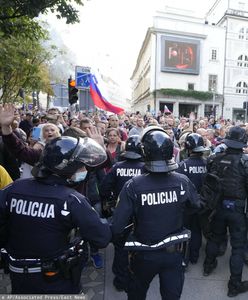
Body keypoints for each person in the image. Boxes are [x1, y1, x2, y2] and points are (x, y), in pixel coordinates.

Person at [0, 136, 112, 294]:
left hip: (18, 276)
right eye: (81, 165)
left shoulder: (13, 188)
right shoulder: (72, 200)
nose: (84, 170)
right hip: (57, 279)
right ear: (66, 167)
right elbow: (101, 238)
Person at [111, 126, 202, 300]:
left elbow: (117, 226)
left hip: (143, 255)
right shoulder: (182, 181)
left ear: (145, 152)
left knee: (136, 295)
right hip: (174, 255)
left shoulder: (133, 185)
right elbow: (195, 206)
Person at [202, 126, 248, 297]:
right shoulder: (245, 161)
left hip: (218, 207)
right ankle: (234, 285)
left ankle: (208, 265)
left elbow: (208, 183)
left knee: (215, 238)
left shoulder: (215, 158)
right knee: (237, 247)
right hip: (237, 210)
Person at [99, 135, 145, 291]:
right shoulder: (146, 168)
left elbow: (104, 188)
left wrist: (109, 201)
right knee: (140, 247)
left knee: (120, 248)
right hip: (143, 215)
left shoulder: (117, 167)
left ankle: (120, 281)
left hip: (121, 214)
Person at [177, 133, 208, 265]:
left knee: (185, 230)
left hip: (187, 205)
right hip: (202, 204)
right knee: (197, 230)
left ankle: (184, 258)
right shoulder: (207, 164)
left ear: (188, 147)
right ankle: (194, 257)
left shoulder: (183, 165)